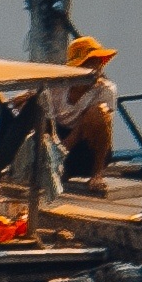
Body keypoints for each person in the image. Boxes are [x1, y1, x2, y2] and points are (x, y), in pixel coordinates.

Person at [43, 34, 120, 181]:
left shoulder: (105, 89)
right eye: (87, 63)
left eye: (96, 63)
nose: (94, 68)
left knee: (97, 113)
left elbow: (83, 129)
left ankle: (97, 174)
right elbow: (48, 122)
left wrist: (57, 154)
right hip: (58, 137)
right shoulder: (57, 88)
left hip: (86, 149)